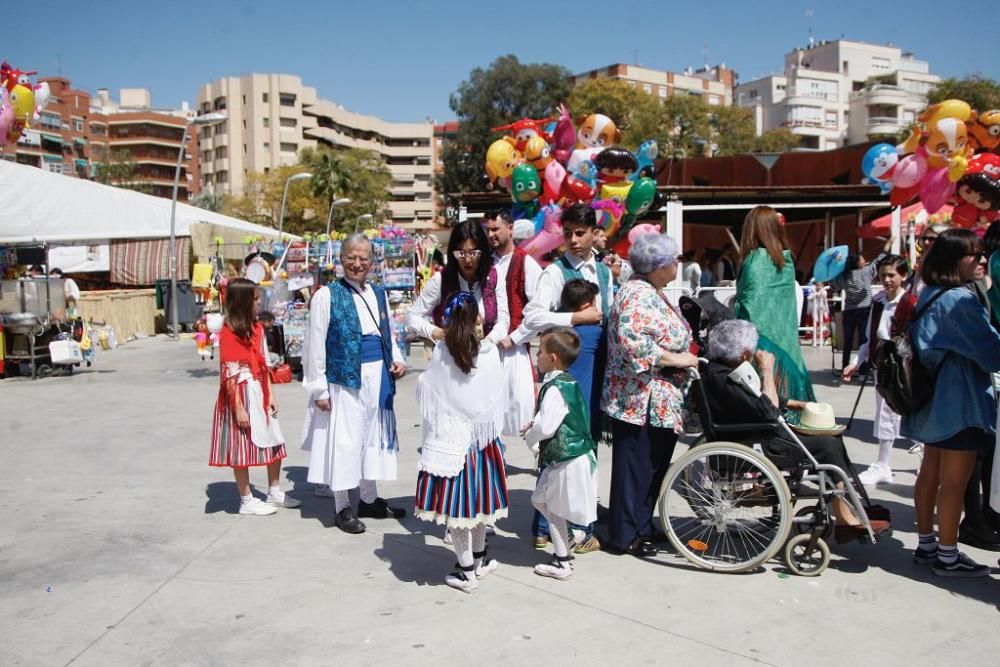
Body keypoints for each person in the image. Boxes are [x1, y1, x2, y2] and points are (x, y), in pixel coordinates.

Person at [703, 320, 890, 541]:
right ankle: (844, 519)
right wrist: (767, 370)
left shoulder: (724, 368)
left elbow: (754, 399)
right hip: (758, 440)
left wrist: (795, 403)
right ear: (744, 353)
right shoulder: (724, 378)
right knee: (828, 446)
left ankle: (850, 509)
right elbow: (768, 410)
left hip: (758, 432)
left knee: (833, 439)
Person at [904, 228, 1000, 577]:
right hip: (958, 402)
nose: (982, 259)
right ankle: (948, 555)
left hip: (931, 400)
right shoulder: (958, 301)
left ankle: (927, 544)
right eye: (973, 254)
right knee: (955, 483)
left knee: (930, 472)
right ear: (954, 260)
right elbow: (992, 352)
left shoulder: (931, 292)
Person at [301, 234, 407, 534]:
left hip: (378, 374)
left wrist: (396, 357)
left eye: (363, 258)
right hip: (345, 376)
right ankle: (342, 506)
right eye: (352, 257)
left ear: (372, 261)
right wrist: (319, 389)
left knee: (371, 435)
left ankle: (369, 499)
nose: (357, 263)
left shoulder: (378, 293)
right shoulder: (326, 295)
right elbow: (314, 345)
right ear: (341, 258)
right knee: (345, 439)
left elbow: (387, 331)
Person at [602, 233, 696, 557]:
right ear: (659, 266)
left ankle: (641, 525)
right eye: (675, 259)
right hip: (638, 399)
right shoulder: (636, 294)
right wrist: (678, 358)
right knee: (635, 469)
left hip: (656, 399)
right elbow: (635, 344)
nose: (678, 264)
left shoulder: (651, 291)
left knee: (651, 467)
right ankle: (625, 534)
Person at [414, 292, 509, 593]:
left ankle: (467, 569)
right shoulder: (490, 352)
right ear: (478, 319)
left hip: (452, 440)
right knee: (479, 507)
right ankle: (477, 561)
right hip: (481, 444)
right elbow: (495, 396)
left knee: (459, 511)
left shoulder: (442, 351)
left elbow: (426, 390)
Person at [208, 278, 300, 516]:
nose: (259, 303)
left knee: (275, 438)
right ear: (243, 301)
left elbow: (263, 362)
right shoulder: (229, 331)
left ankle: (274, 490)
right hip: (239, 392)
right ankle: (246, 499)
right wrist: (238, 407)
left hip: (258, 388)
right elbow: (228, 371)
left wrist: (271, 394)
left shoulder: (257, 328)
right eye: (256, 298)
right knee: (241, 445)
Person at [523, 203, 613, 434]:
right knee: (566, 426)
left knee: (592, 425)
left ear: (595, 233)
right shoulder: (555, 271)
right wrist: (575, 317)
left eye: (580, 233)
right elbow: (533, 318)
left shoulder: (604, 272)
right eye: (567, 233)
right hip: (567, 362)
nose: (573, 240)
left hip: (599, 360)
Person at [530, 279, 602, 552]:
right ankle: (580, 534)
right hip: (579, 417)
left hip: (552, 412)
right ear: (587, 305)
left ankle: (540, 531)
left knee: (548, 470)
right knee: (578, 484)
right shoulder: (594, 334)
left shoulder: (556, 335)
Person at [523, 327, 598, 580]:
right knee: (541, 501)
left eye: (540, 352)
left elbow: (546, 426)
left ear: (552, 358)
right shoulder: (566, 382)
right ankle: (566, 539)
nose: (537, 356)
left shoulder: (555, 387)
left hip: (568, 458)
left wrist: (531, 437)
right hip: (569, 456)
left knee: (552, 506)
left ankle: (563, 560)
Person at [733, 206, 816, 419]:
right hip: (787, 344)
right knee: (789, 403)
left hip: (759, 343)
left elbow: (748, 305)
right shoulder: (786, 261)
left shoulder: (753, 262)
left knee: (761, 404)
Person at [842, 255, 917, 485]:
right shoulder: (877, 302)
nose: (886, 280)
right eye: (883, 275)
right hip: (883, 367)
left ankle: (923, 462)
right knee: (884, 414)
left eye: (892, 275)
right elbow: (869, 338)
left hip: (905, 366)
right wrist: (856, 362)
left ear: (903, 276)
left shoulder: (911, 303)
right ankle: (883, 463)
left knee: (911, 412)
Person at [483, 209, 543, 437]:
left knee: (523, 407)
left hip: (514, 348)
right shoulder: (485, 264)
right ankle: (495, 461)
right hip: (488, 347)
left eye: (495, 229)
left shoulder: (527, 264)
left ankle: (542, 460)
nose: (491, 234)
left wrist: (515, 337)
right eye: (488, 230)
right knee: (487, 406)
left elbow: (538, 311)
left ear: (510, 228)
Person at [407, 220, 509, 353]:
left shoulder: (495, 276)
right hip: (450, 361)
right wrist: (437, 332)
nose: (467, 260)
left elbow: (503, 319)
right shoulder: (441, 280)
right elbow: (412, 317)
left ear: (482, 252)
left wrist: (489, 341)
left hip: (488, 357)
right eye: (461, 253)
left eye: (473, 253)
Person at [829, 237, 893, 371]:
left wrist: (834, 270)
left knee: (848, 341)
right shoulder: (865, 272)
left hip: (849, 310)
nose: (865, 260)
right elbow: (879, 259)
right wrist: (888, 245)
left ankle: (845, 365)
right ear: (858, 263)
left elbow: (834, 286)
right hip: (864, 309)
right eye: (862, 259)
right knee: (864, 339)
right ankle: (862, 366)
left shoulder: (844, 275)